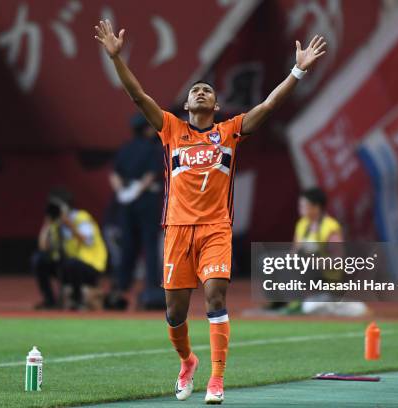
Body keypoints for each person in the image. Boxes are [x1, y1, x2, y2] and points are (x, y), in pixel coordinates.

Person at [95, 19, 326, 404]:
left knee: (216, 297)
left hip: (216, 228)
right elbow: (138, 97)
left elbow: (269, 105)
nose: (201, 92)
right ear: (187, 105)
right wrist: (117, 59)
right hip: (176, 230)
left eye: (208, 91)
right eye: (195, 90)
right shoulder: (170, 130)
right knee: (174, 312)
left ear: (216, 106)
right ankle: (187, 361)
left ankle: (217, 380)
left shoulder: (230, 131)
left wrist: (298, 70)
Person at [106, 114, 165, 310]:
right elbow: (150, 175)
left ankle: (122, 286)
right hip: (145, 200)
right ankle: (151, 287)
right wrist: (136, 192)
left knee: (128, 245)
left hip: (126, 201)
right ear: (147, 129)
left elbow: (115, 174)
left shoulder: (125, 148)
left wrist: (123, 194)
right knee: (150, 244)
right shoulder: (152, 148)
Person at [290, 187, 367, 317]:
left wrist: (313, 262)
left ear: (316, 207)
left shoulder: (330, 227)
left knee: (310, 307)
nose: (300, 208)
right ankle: (288, 302)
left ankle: (353, 307)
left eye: (304, 205)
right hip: (306, 281)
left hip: (327, 281)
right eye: (300, 205)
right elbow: (294, 253)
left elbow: (338, 261)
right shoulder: (302, 224)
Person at [33, 188, 108, 310]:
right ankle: (49, 301)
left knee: (71, 263)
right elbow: (43, 247)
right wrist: (47, 225)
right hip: (67, 266)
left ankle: (77, 300)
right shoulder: (55, 223)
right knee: (38, 259)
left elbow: (87, 241)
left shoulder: (81, 217)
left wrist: (69, 224)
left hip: (89, 266)